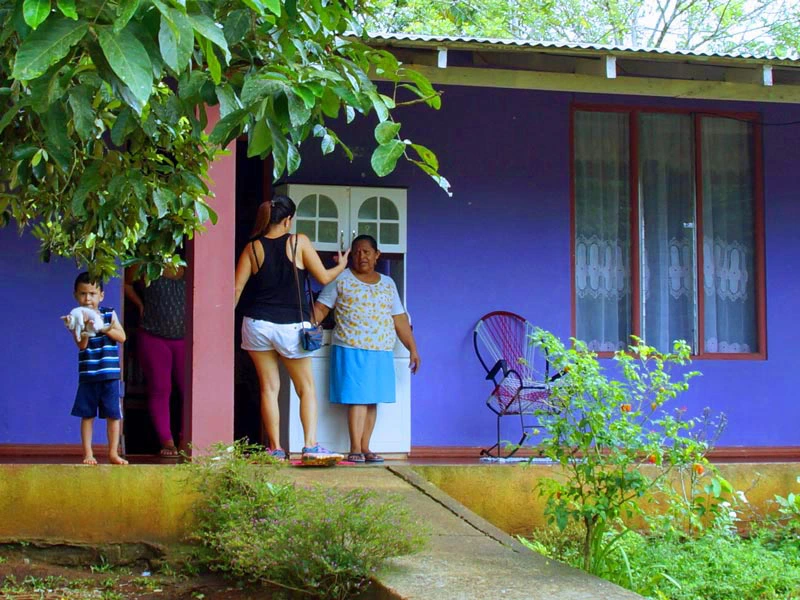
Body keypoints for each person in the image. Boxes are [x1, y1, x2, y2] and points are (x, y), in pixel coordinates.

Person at [234, 194, 349, 465]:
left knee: (269, 388)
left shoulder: (252, 248)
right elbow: (323, 276)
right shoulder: (299, 241)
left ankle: (274, 449)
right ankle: (310, 445)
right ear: (288, 220)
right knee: (305, 387)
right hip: (290, 326)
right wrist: (342, 265)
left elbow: (236, 289)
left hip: (257, 325)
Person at [314, 235, 420, 464]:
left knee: (373, 399)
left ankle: (366, 447)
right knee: (357, 399)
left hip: (381, 349)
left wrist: (413, 348)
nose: (362, 256)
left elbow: (399, 318)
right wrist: (305, 327)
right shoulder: (340, 279)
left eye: (366, 252)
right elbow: (321, 308)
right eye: (357, 252)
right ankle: (354, 448)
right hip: (351, 347)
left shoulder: (388, 283)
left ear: (377, 255)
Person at [62, 272, 128, 465]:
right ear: (76, 296)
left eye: (92, 293)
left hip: (109, 375)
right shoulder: (76, 317)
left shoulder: (109, 313)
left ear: (101, 295)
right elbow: (81, 345)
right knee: (87, 415)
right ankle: (88, 454)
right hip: (88, 375)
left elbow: (122, 337)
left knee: (113, 415)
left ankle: (113, 453)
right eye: (83, 294)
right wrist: (84, 328)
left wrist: (102, 327)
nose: (88, 298)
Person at [124, 264, 186, 458]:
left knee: (190, 389)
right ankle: (167, 441)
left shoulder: (191, 264)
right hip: (153, 335)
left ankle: (188, 439)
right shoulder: (144, 264)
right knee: (161, 387)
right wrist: (139, 304)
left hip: (185, 338)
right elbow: (125, 284)